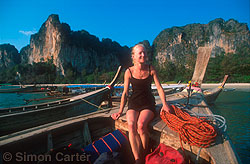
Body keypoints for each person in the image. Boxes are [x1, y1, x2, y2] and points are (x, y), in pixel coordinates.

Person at [111, 44, 171, 164]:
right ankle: (138, 158)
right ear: (133, 56)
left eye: (144, 52)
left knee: (141, 125)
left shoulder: (151, 69)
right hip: (134, 103)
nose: (143, 55)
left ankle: (144, 153)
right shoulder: (128, 72)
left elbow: (159, 88)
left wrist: (165, 104)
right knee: (131, 124)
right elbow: (125, 93)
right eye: (140, 53)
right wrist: (120, 111)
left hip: (148, 103)